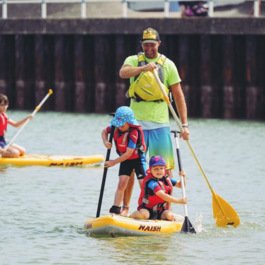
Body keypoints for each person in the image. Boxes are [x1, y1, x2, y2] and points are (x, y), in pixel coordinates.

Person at [119, 27, 190, 175]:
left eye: (152, 44)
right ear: (141, 44)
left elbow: (178, 96)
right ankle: (127, 200)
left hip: (160, 123)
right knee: (131, 169)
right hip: (136, 124)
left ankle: (166, 198)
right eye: (146, 44)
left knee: (164, 169)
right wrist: (143, 68)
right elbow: (123, 73)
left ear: (159, 43)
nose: (149, 48)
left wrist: (184, 125)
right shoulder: (133, 60)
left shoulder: (168, 65)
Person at [101, 106, 147, 216]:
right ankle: (116, 209)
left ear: (129, 123)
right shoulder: (115, 127)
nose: (120, 126)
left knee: (143, 184)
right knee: (121, 183)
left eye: (122, 124)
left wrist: (113, 162)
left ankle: (147, 208)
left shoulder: (134, 132)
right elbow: (103, 131)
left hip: (137, 159)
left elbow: (129, 153)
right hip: (126, 160)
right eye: (118, 124)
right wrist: (106, 141)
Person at [130, 155, 186, 221]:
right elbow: (162, 195)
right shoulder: (151, 183)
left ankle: (162, 221)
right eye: (156, 169)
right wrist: (178, 201)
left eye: (161, 168)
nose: (159, 171)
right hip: (147, 209)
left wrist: (183, 176)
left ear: (164, 169)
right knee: (145, 215)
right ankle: (131, 216)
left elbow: (181, 185)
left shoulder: (167, 179)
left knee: (169, 216)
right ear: (150, 170)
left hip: (160, 210)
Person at [0, 93, 33, 158]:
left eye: (6, 105)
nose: (5, 107)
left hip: (2, 141)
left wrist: (27, 118)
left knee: (23, 151)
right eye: (2, 105)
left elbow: (16, 125)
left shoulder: (4, 116)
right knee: (15, 153)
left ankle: (4, 152)